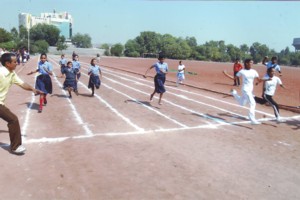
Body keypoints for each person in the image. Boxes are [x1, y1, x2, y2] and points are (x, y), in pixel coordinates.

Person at [0, 53, 42, 154]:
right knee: (13, 120)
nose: (17, 63)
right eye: (14, 62)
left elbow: (22, 84)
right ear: (7, 63)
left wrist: (33, 89)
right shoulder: (1, 73)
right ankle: (15, 147)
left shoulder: (12, 73)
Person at [223, 58, 264, 125]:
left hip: (250, 91)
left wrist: (266, 79)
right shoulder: (242, 71)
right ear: (247, 63)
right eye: (251, 62)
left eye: (252, 62)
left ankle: (234, 92)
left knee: (242, 103)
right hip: (245, 90)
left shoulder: (254, 71)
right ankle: (252, 119)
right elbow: (234, 78)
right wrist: (225, 74)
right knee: (253, 103)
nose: (252, 64)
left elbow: (258, 80)